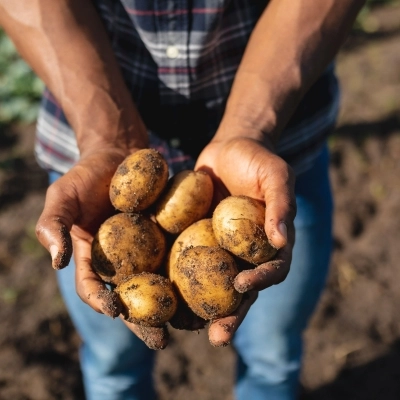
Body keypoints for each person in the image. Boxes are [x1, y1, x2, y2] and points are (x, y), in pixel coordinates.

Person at [0, 0, 365, 399]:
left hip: (274, 149)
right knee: (111, 360)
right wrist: (105, 137)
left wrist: (251, 127)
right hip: (92, 151)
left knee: (273, 354)